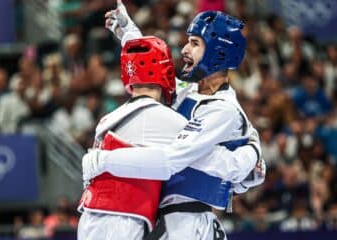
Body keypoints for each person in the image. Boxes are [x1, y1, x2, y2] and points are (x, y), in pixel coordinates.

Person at [82, 2, 265, 239]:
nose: (185, 50)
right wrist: (127, 31)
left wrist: (104, 161)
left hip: (189, 222)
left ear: (218, 52)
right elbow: (153, 70)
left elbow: (171, 160)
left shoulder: (223, 110)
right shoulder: (189, 91)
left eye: (195, 43)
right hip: (165, 215)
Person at [78, 36, 188, 240]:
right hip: (122, 219)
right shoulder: (165, 119)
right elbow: (202, 148)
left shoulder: (107, 118)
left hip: (90, 217)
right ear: (165, 70)